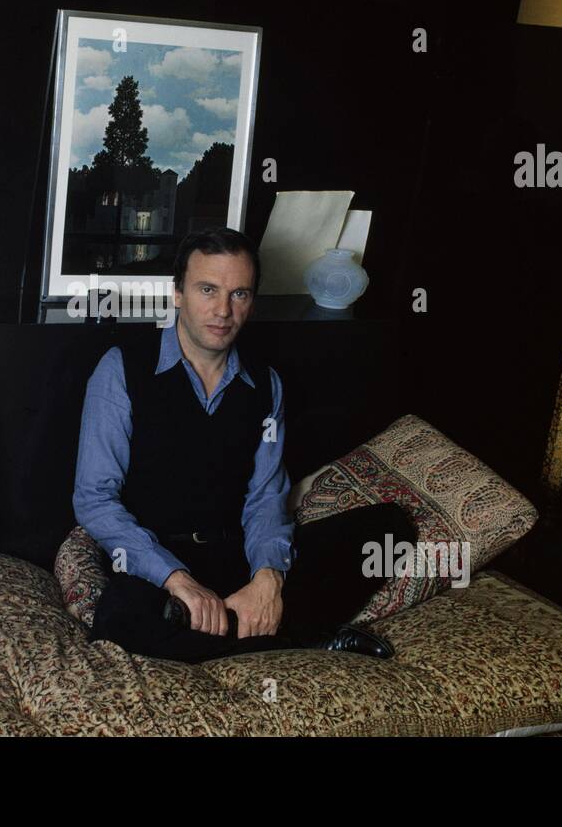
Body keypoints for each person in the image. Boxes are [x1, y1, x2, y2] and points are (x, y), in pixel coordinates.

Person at [73, 227, 417, 664]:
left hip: (235, 552)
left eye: (239, 294)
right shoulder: (121, 367)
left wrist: (267, 578)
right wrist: (177, 579)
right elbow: (94, 498)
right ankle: (293, 635)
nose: (222, 310)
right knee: (123, 624)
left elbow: (265, 497)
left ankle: (230, 629)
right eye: (207, 290)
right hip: (156, 563)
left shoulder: (264, 383)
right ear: (177, 293)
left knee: (388, 530)